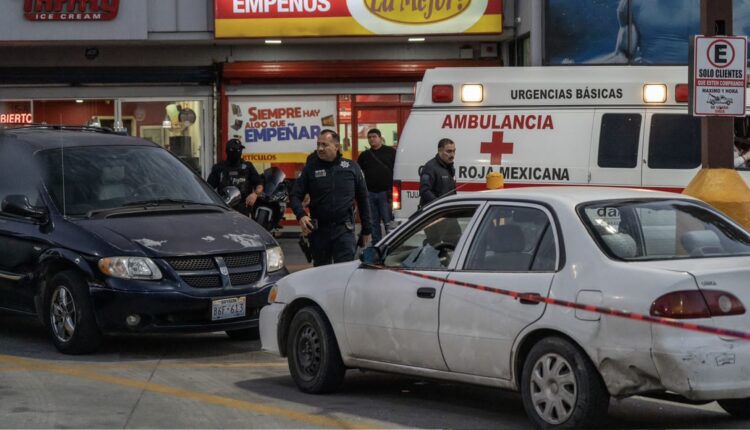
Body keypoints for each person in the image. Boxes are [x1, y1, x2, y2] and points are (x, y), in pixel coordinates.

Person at [290, 129, 372, 266]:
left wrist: (367, 229)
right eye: (318, 144)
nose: (320, 148)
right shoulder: (310, 169)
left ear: (336, 147)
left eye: (324, 145)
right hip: (319, 232)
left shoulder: (352, 167)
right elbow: (294, 196)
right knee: (321, 274)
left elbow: (363, 199)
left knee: (344, 272)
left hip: (344, 231)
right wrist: (301, 215)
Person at [357, 128, 396, 243]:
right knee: (373, 222)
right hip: (370, 193)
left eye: (374, 136)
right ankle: (377, 245)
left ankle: (391, 244)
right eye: (369, 137)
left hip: (385, 193)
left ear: (380, 138)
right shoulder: (364, 155)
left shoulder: (391, 152)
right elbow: (358, 173)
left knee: (388, 221)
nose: (371, 139)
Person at [207, 138, 263, 215]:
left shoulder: (247, 166)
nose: (238, 152)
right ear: (227, 151)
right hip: (225, 210)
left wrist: (255, 194)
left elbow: (259, 184)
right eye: (235, 150)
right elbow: (208, 188)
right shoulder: (220, 167)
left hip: (244, 210)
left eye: (239, 149)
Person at [419, 138, 457, 209]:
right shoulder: (430, 167)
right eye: (449, 151)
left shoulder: (449, 167)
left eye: (454, 151)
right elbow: (424, 191)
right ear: (440, 151)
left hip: (447, 211)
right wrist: (438, 205)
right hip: (434, 213)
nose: (452, 155)